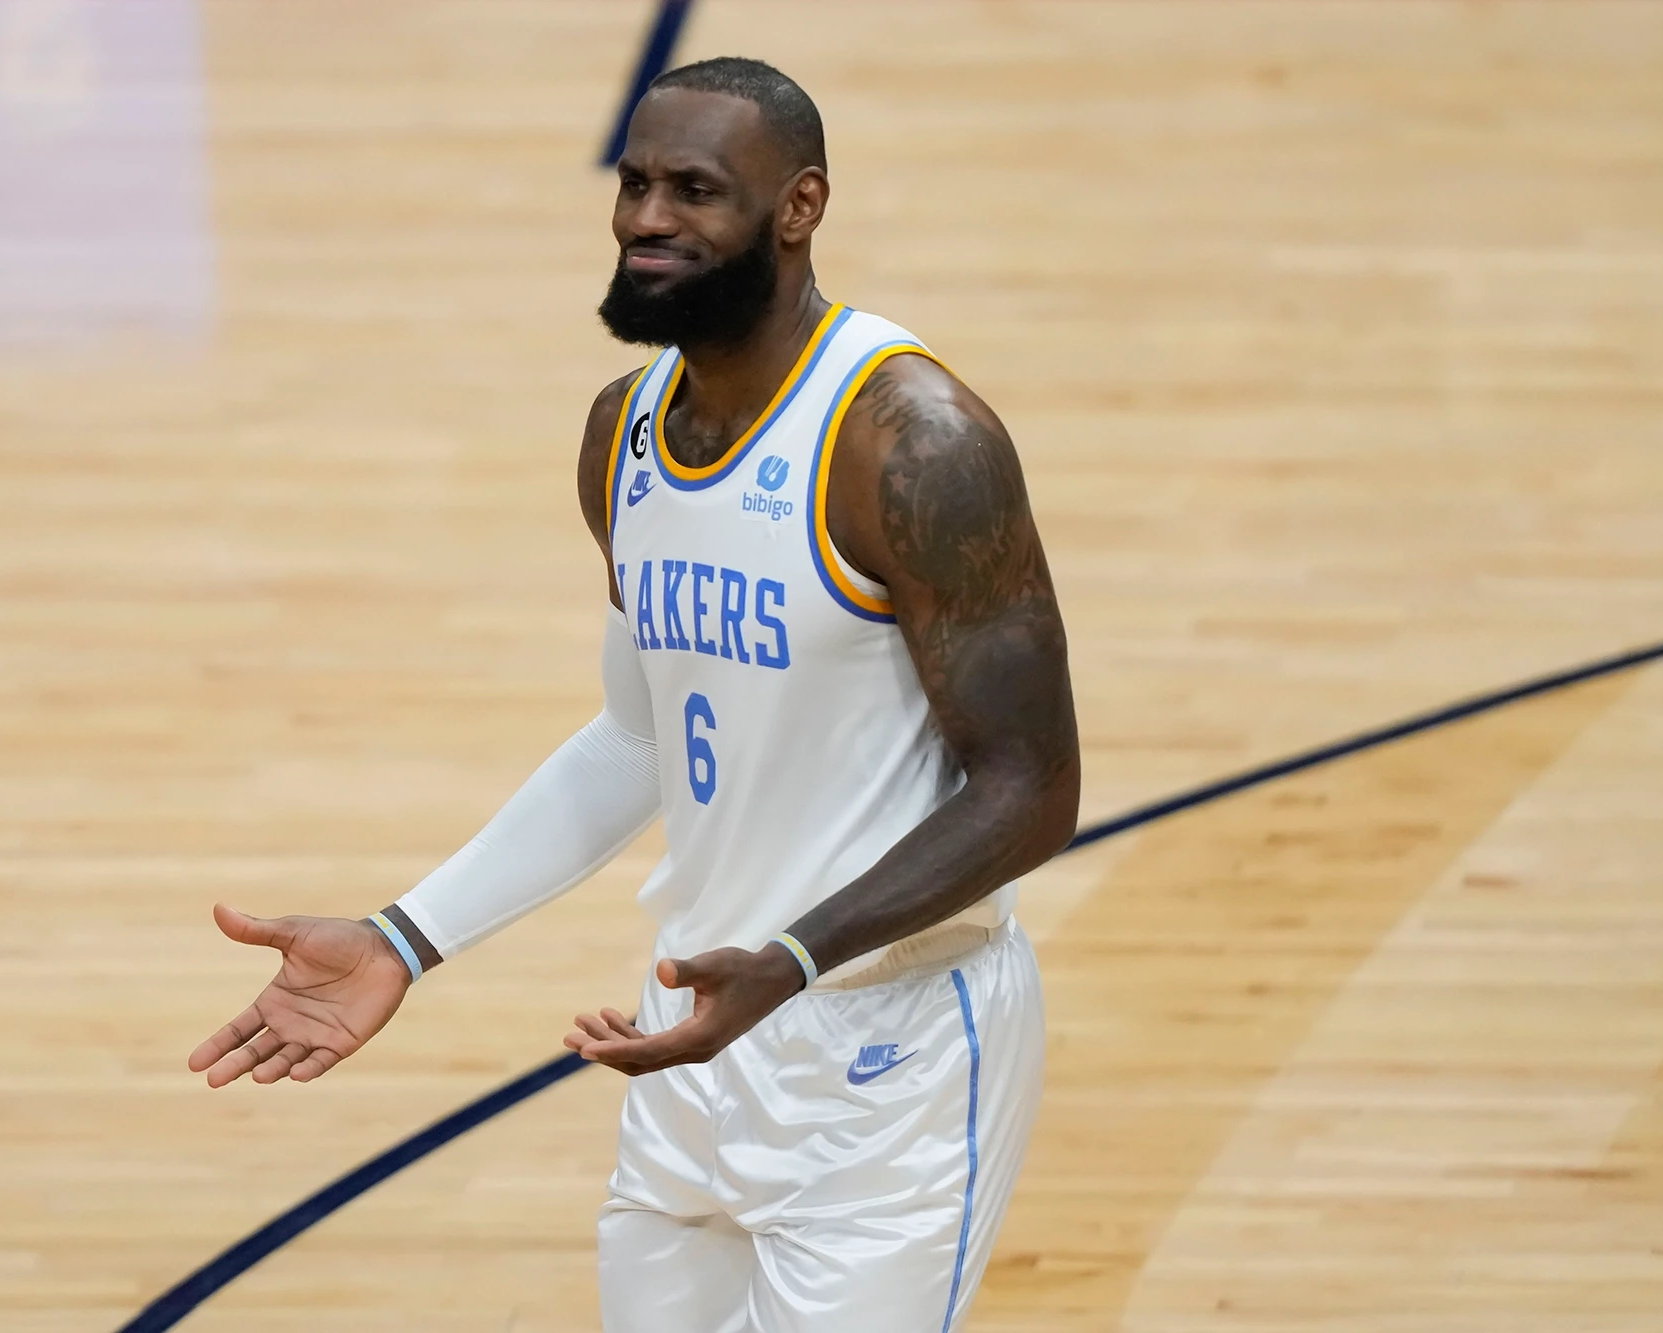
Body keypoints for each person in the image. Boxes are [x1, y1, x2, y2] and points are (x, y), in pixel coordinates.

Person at [187, 56, 1079, 1333]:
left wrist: (791, 959)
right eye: (635, 184)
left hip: (890, 1052)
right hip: (694, 1029)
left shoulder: (913, 444)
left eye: (695, 190)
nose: (648, 219)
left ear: (799, 205)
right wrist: (405, 936)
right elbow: (634, 740)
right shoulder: (625, 434)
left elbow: (1031, 790)